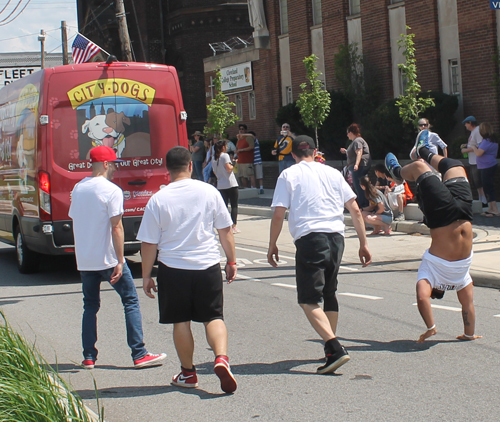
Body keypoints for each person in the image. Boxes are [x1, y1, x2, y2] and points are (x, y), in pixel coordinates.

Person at [267, 135, 372, 374]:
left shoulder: (289, 175)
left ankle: (334, 348)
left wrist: (272, 244)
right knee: (329, 292)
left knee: (308, 299)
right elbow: (355, 208)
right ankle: (329, 348)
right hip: (336, 237)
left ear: (293, 155)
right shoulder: (333, 173)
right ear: (315, 152)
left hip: (310, 237)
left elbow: (278, 213)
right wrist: (363, 243)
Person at [137, 146, 238, 394]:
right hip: (207, 265)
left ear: (167, 170)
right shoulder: (209, 192)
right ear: (190, 165)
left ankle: (188, 373)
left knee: (180, 321)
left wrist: (147, 275)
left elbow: (148, 243)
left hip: (173, 268)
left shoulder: (158, 199)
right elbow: (225, 230)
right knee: (213, 316)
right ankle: (221, 358)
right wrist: (231, 261)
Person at [68, 145, 166, 370]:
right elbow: (117, 227)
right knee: (130, 300)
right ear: (104, 164)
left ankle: (89, 357)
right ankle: (139, 353)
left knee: (90, 306)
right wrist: (121, 260)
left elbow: (76, 218)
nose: (114, 168)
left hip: (85, 259)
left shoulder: (78, 188)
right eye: (112, 164)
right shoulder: (111, 190)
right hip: (108, 258)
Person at [385, 129, 482, 343]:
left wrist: (431, 327)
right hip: (463, 211)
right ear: (436, 290)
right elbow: (468, 306)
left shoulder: (429, 272)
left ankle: (397, 172)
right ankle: (425, 151)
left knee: (420, 168)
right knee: (455, 165)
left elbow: (422, 297)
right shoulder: (461, 280)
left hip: (442, 215)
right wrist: (468, 334)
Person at [471, 122, 499, 217]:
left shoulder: (487, 141)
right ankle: (491, 208)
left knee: (488, 187)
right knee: (487, 187)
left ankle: (494, 209)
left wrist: (474, 147)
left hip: (487, 166)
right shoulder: (490, 140)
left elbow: (479, 153)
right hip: (486, 166)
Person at [340, 123, 371, 209]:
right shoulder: (356, 141)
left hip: (360, 166)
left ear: (351, 132)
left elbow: (359, 152)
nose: (347, 135)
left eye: (348, 133)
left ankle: (363, 204)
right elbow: (354, 153)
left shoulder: (357, 141)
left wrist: (356, 164)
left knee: (358, 185)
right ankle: (363, 203)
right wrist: (346, 151)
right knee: (359, 184)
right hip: (358, 165)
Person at [212, 139, 240, 234]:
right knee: (234, 206)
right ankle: (234, 226)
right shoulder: (225, 156)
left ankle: (224, 224)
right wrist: (234, 163)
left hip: (221, 184)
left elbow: (215, 172)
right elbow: (229, 169)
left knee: (224, 206)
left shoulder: (214, 158)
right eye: (226, 146)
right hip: (230, 183)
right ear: (223, 147)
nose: (227, 147)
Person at [461, 116, 486, 205]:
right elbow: (473, 144)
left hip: (477, 161)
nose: (465, 126)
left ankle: (484, 200)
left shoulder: (477, 131)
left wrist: (466, 150)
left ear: (470, 123)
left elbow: (480, 146)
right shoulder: (473, 132)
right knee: (476, 182)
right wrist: (466, 145)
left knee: (479, 181)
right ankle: (481, 199)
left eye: (466, 124)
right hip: (473, 161)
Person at [235, 124, 256, 188]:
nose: (241, 130)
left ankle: (254, 189)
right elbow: (237, 148)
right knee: (242, 176)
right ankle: (246, 189)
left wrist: (242, 150)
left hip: (247, 161)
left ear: (245, 130)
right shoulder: (239, 139)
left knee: (250, 175)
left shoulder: (249, 138)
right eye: (240, 129)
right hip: (240, 161)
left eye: (242, 129)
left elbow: (252, 147)